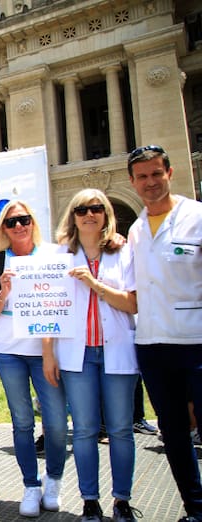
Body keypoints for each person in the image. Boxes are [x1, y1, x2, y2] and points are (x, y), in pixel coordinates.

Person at [42, 189, 140, 521]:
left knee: (121, 429)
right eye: (82, 209)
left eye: (96, 208)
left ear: (106, 214)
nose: (89, 214)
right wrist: (48, 354)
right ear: (73, 215)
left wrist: (95, 283)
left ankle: (122, 500)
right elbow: (49, 309)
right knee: (83, 429)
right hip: (77, 355)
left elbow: (133, 302)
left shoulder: (123, 252)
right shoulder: (60, 255)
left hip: (116, 351)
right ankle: (89, 501)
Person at [126, 145, 202, 522]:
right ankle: (195, 509)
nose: (150, 182)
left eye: (156, 174)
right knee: (173, 435)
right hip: (153, 345)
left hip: (196, 341)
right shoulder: (136, 229)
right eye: (142, 176)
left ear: (169, 174)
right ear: (133, 182)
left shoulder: (197, 217)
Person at [0, 200, 67, 518]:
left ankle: (54, 480)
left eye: (24, 219)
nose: (19, 226)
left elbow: (59, 302)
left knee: (57, 424)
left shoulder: (52, 254)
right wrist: (3, 291)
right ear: (4, 228)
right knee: (22, 422)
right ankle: (31, 485)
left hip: (46, 351)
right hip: (8, 350)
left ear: (33, 222)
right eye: (11, 222)